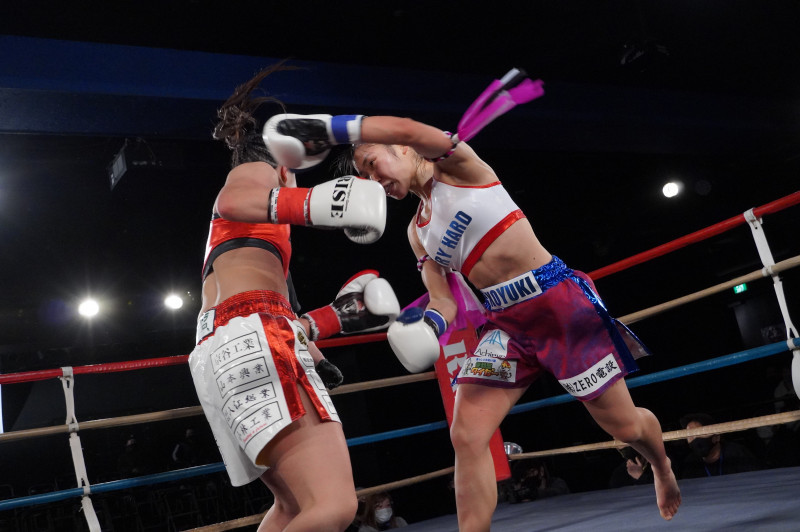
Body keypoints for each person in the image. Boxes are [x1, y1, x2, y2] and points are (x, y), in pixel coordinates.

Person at [263, 101, 682, 529]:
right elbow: (443, 301)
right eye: (365, 176)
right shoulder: (417, 232)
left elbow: (409, 128)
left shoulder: (460, 168)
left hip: (556, 304)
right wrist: (428, 327)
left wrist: (336, 128)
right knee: (466, 434)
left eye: (372, 164)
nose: (374, 181)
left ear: (403, 149)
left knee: (624, 427)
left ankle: (661, 465)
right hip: (507, 326)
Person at [188, 63, 400, 532]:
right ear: (286, 165)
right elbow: (234, 199)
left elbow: (272, 312)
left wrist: (333, 321)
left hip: (219, 346)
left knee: (291, 508)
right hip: (256, 334)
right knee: (334, 507)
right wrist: (314, 203)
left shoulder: (253, 243)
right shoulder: (257, 170)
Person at [679, 412, 762, 479]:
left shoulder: (737, 453)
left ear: (716, 437)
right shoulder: (691, 463)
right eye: (690, 436)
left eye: (699, 433)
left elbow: (757, 479)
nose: (694, 439)